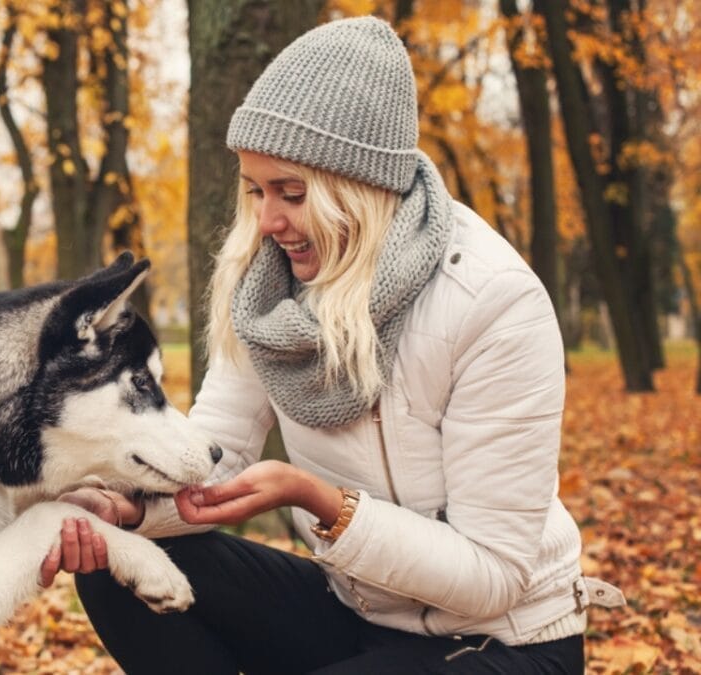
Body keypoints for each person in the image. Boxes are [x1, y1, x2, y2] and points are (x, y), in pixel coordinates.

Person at [37, 15, 624, 675]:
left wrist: (320, 500)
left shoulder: (492, 300)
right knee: (121, 564)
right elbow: (215, 461)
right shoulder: (265, 290)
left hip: (506, 642)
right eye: (256, 191)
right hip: (361, 615)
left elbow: (492, 575)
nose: (266, 221)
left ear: (362, 189)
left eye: (291, 192)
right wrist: (128, 505)